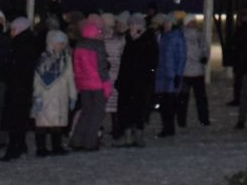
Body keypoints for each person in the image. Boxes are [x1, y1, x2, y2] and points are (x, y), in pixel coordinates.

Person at [0, 15, 41, 161]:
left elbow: (17, 67)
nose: (11, 32)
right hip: (22, 87)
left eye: (13, 29)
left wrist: (7, 71)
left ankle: (14, 148)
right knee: (19, 118)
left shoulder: (21, 44)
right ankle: (20, 145)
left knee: (16, 119)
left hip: (18, 87)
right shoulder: (26, 42)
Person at [113, 14, 157, 146]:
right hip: (127, 82)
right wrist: (120, 79)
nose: (130, 27)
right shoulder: (129, 41)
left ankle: (138, 135)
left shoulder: (148, 41)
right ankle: (127, 136)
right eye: (130, 25)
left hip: (141, 83)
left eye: (133, 25)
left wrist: (147, 77)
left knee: (139, 109)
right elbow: (124, 63)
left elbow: (153, 63)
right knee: (126, 109)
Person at [32, 28, 76, 157]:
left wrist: (72, 95)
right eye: (58, 43)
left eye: (63, 43)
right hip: (45, 96)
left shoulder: (66, 59)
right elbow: (37, 79)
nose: (61, 46)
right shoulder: (43, 60)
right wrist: (37, 96)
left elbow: (70, 77)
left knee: (57, 122)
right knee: (42, 122)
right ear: (51, 43)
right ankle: (41, 148)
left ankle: (57, 146)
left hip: (61, 96)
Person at [69, 16, 110, 151]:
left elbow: (77, 67)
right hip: (97, 84)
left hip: (84, 85)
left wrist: (78, 83)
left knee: (86, 112)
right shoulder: (98, 45)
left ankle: (77, 140)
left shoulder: (79, 45)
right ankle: (90, 142)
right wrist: (106, 84)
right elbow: (101, 67)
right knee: (97, 114)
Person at [154, 13, 186, 138]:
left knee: (169, 103)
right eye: (165, 23)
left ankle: (169, 127)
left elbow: (181, 57)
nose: (166, 25)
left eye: (168, 23)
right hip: (162, 75)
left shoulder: (177, 37)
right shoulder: (163, 37)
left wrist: (178, 74)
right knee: (164, 104)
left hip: (172, 76)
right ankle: (166, 126)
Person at [179, 14, 213, 127]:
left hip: (198, 72)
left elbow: (205, 47)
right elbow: (190, 51)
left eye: (194, 21)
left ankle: (204, 118)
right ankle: (182, 120)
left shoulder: (199, 34)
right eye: (191, 21)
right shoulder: (183, 35)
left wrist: (205, 57)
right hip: (186, 71)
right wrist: (200, 57)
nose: (194, 23)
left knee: (200, 98)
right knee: (184, 98)